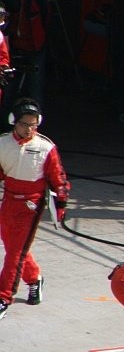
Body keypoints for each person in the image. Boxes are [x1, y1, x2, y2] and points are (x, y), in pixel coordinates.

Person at [0, 98, 70, 319]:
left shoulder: (46, 147)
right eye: (24, 124)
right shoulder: (2, 144)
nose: (29, 129)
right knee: (12, 247)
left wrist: (61, 206)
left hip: (32, 203)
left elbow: (58, 179)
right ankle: (34, 278)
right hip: (9, 200)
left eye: (33, 124)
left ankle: (3, 297)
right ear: (13, 121)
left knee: (14, 254)